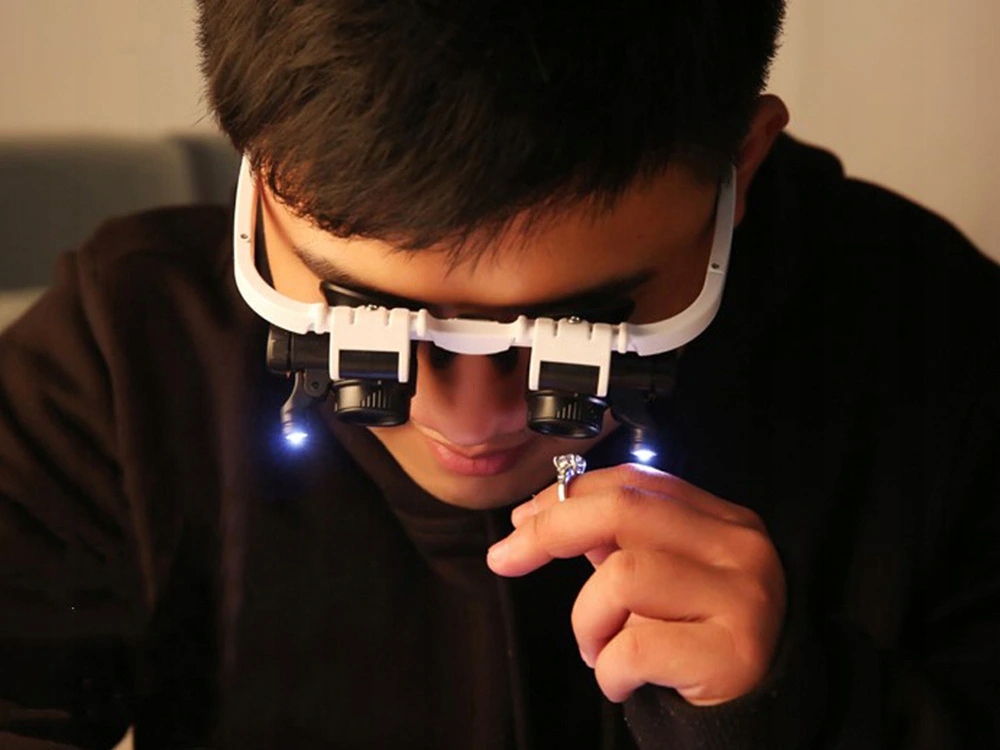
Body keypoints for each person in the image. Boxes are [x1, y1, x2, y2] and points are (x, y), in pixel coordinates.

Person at [1, 0, 998, 747]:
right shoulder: (122, 355)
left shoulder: (936, 347)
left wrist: (796, 714)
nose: (472, 417)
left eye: (580, 329)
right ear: (258, 173)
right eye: (365, 316)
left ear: (739, 166)